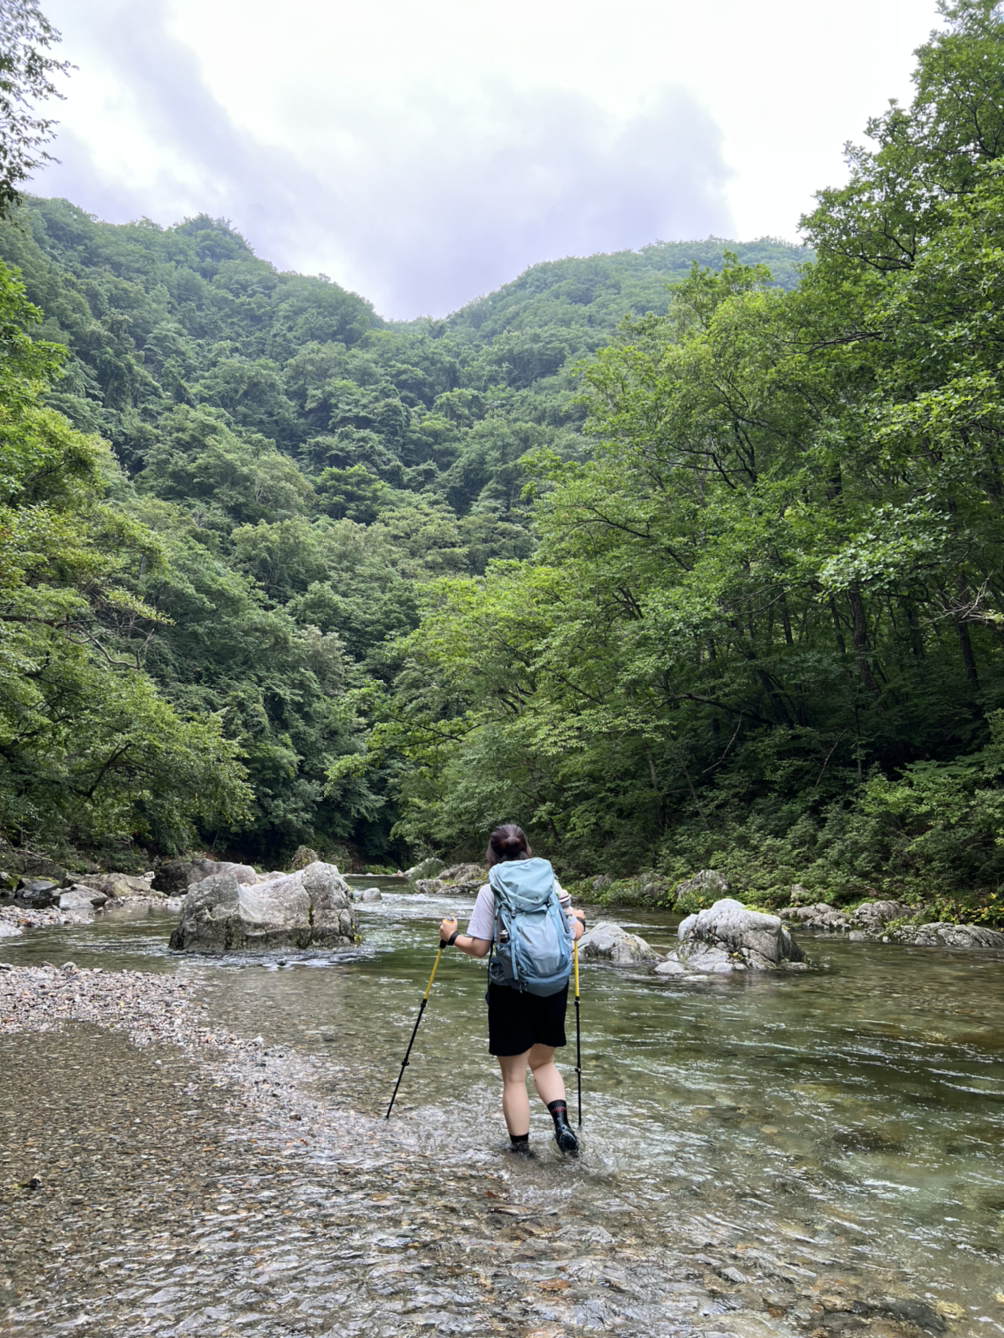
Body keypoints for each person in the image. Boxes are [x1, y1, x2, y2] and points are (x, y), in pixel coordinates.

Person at [439, 823, 585, 1156]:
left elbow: (479, 948)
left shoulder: (491, 890)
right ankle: (562, 1124)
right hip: (554, 984)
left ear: (492, 853)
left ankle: (521, 1152)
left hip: (511, 987)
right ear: (525, 848)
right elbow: (573, 932)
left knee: (515, 1078)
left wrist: (451, 936)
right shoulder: (551, 882)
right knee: (544, 1063)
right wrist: (580, 920)